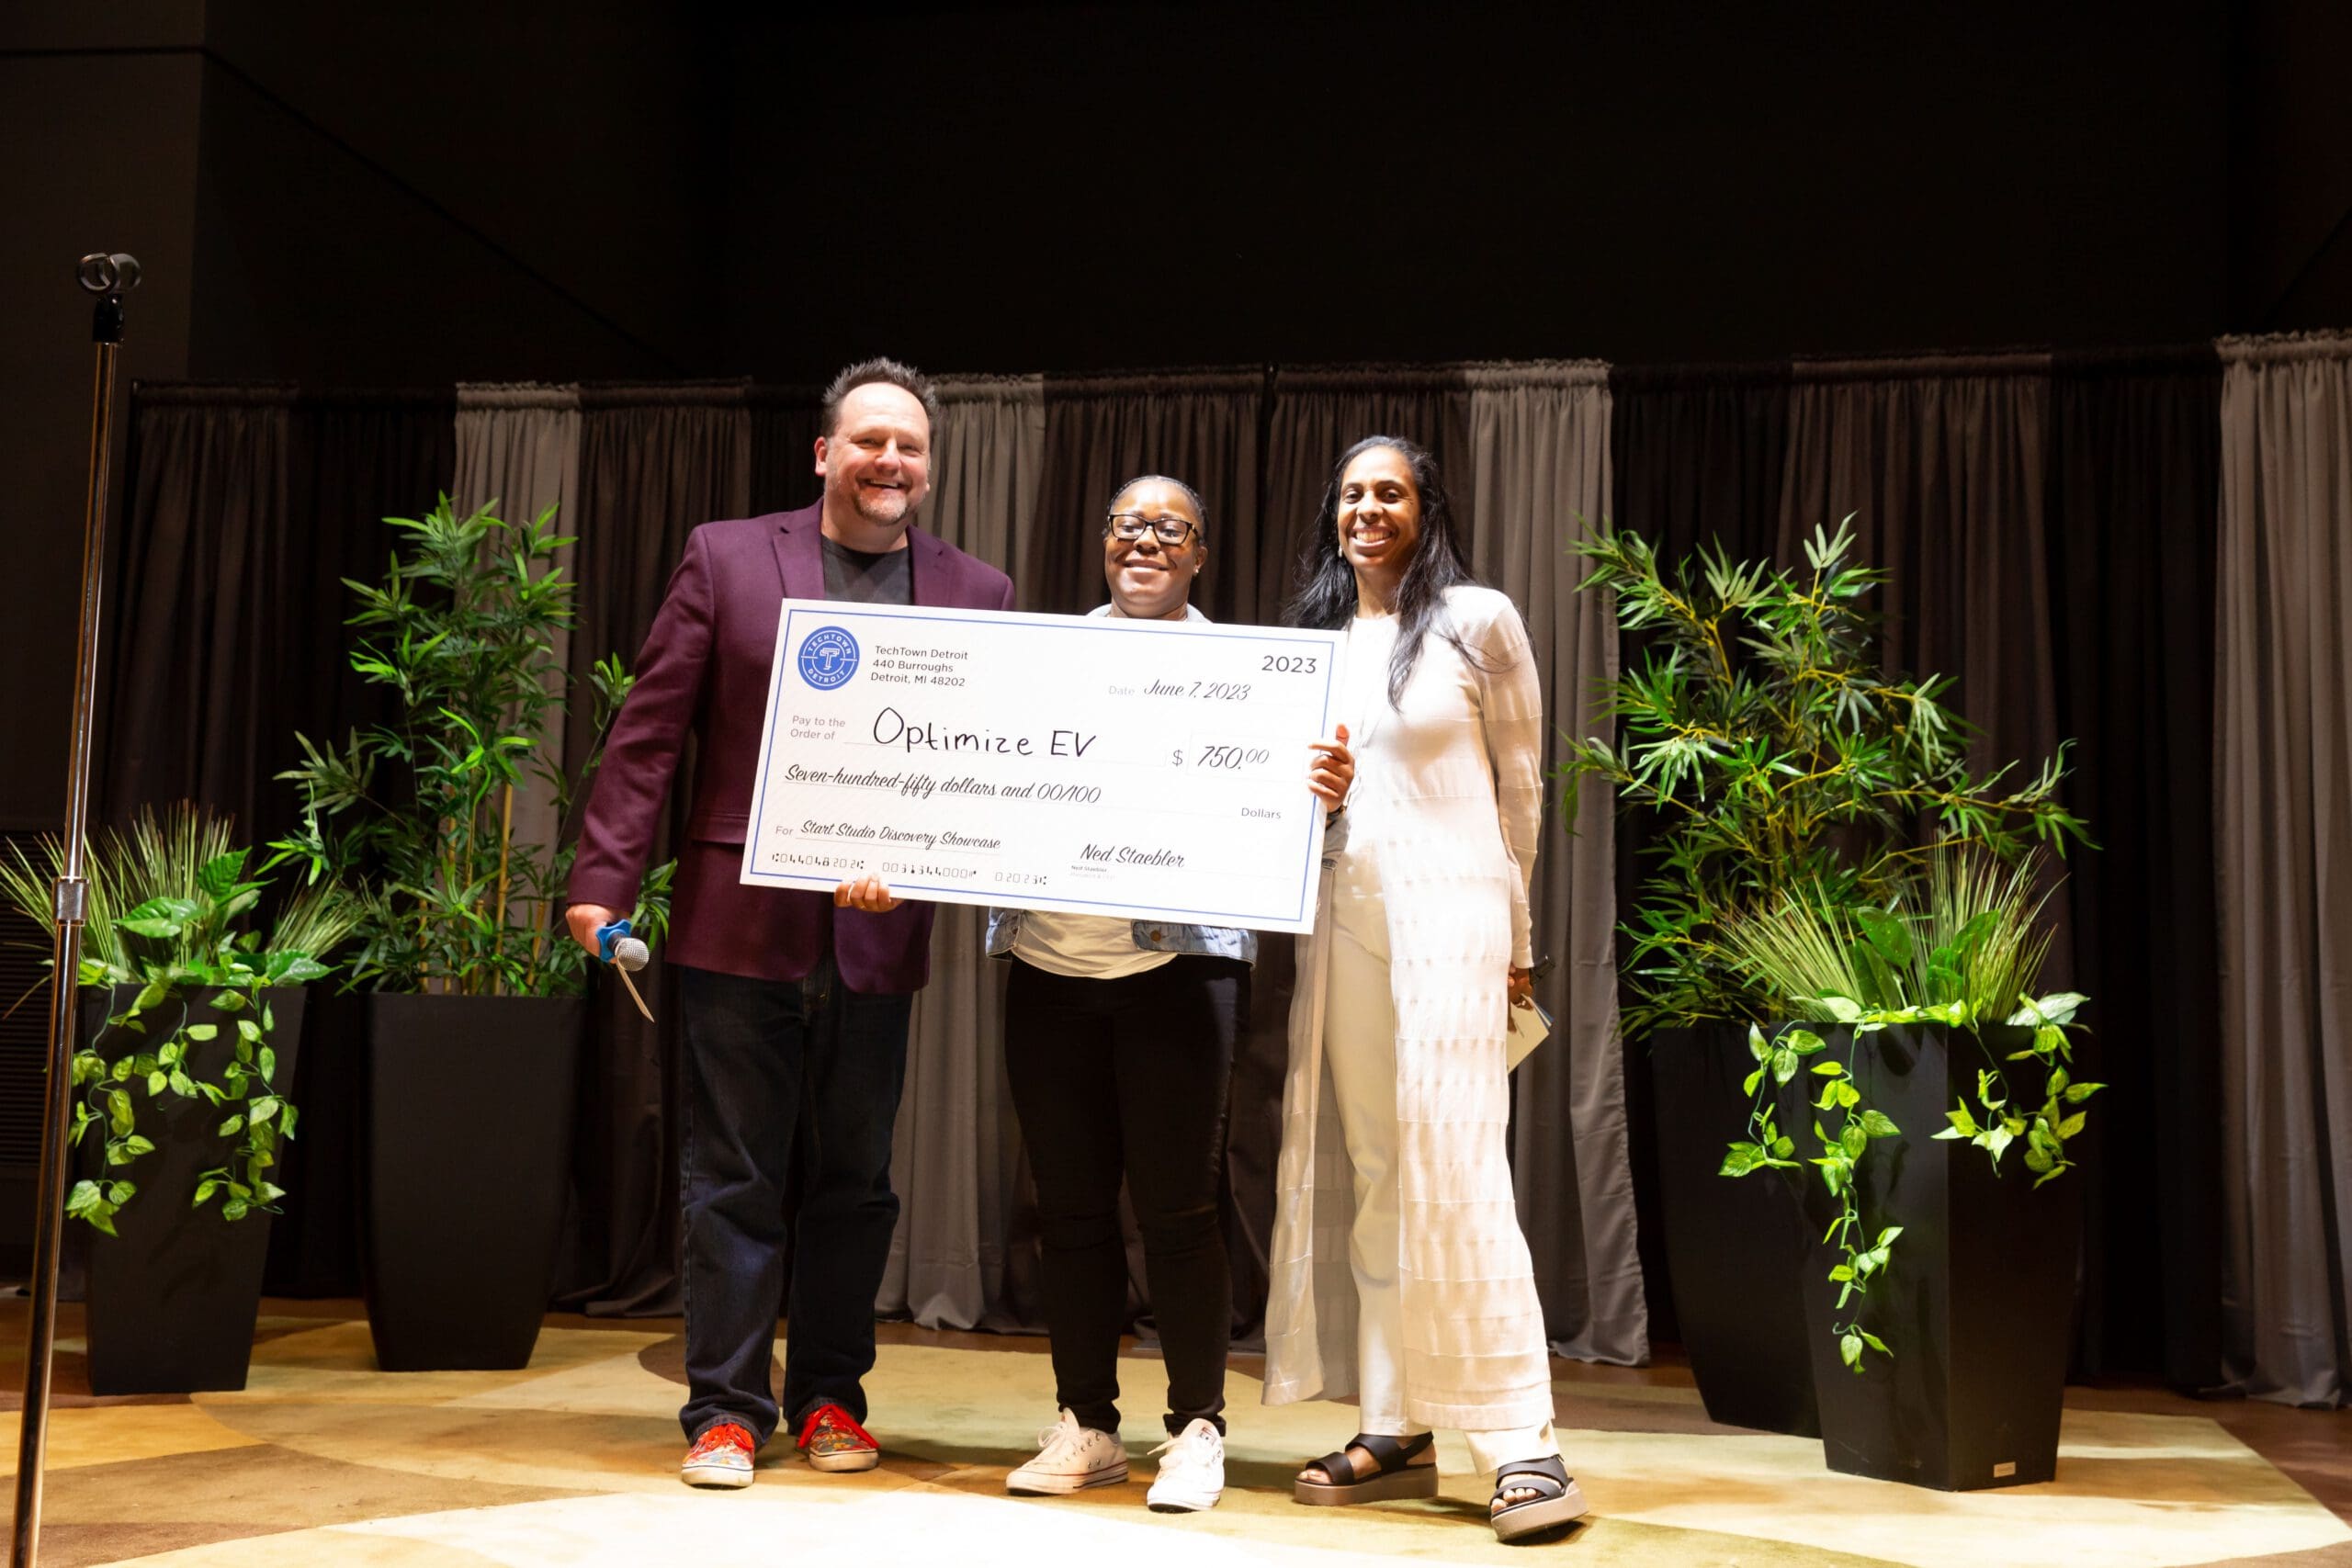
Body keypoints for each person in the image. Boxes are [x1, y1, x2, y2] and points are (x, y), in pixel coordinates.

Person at [563, 358, 1015, 1490]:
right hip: (738, 922)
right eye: (867, 441)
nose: (888, 462)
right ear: (825, 453)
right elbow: (650, 731)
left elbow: (988, 769)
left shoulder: (979, 595)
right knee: (732, 1173)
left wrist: (928, 863)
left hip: (880, 931)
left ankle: (828, 1399)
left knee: (855, 1182)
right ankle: (723, 1408)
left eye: (907, 446)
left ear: (929, 463)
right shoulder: (727, 556)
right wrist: (602, 880)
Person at [982, 477, 1354, 1514]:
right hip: (1049, 967)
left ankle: (1196, 1427)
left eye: (1168, 528)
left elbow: (1298, 839)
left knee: (1181, 1208)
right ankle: (1087, 1424)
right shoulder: (1040, 666)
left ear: (1198, 553)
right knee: (1068, 1210)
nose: (1144, 541)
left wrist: (1325, 803)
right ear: (1102, 544)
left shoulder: (1253, 680)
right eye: (1126, 526)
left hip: (1177, 974)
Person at [1261, 435, 1587, 1543]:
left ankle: (1519, 1440)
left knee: (1453, 1158)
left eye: (1387, 493)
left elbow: (1521, 788)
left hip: (1457, 909)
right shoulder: (1308, 641)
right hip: (1349, 911)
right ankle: (1395, 1421)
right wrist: (1320, 801)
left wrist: (1519, 935)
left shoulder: (1477, 620)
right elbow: (1299, 805)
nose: (1366, 510)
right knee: (1372, 1162)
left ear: (1423, 506)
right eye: (1350, 495)